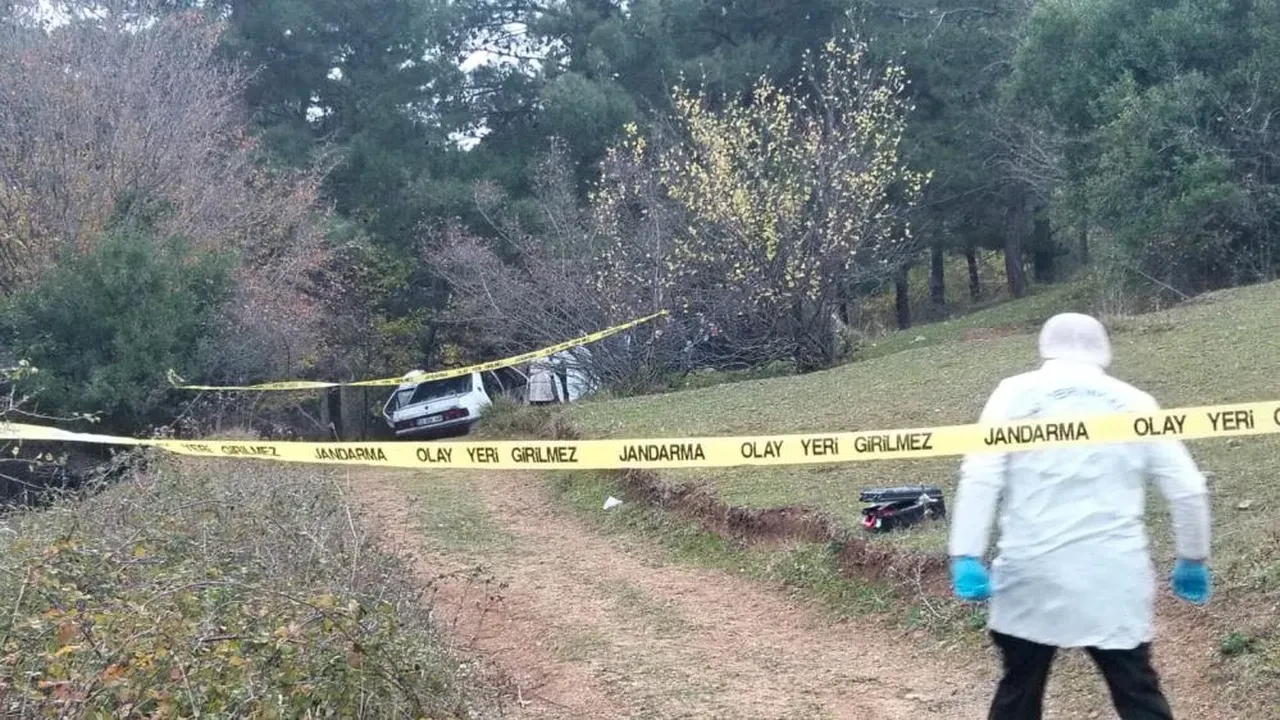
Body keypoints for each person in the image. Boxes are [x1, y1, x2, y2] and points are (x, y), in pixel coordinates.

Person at [948, 313, 1213, 720]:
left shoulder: (1013, 394)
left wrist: (966, 553)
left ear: (1045, 346)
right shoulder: (1136, 402)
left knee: (1019, 691)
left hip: (1032, 571)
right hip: (1113, 576)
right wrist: (1192, 557)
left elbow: (981, 475)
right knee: (1137, 693)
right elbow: (1188, 487)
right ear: (1103, 349)